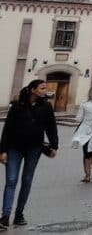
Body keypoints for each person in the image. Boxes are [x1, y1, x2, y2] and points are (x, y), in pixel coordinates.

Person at [0, 79, 58, 229]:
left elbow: (51, 126)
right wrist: (3, 150)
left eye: (45, 88)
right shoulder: (17, 106)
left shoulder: (46, 106)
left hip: (34, 148)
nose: (45, 91)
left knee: (27, 180)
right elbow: (7, 128)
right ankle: (5, 216)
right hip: (14, 148)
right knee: (11, 180)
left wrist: (54, 145)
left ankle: (19, 214)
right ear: (33, 90)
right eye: (42, 88)